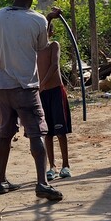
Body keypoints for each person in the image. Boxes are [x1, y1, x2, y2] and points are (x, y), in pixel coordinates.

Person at [0, 0, 63, 201]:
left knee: (5, 133)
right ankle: (42, 183)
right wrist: (49, 20)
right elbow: (42, 45)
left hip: (4, 88)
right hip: (26, 87)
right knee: (36, 134)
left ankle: (1, 180)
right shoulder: (37, 20)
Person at [37, 22, 72, 181]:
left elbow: (54, 66)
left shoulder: (53, 46)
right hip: (41, 94)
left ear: (51, 32)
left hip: (55, 91)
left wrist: (42, 83)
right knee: (47, 132)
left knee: (60, 130)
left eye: (46, 31)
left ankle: (66, 165)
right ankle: (52, 166)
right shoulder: (34, 49)